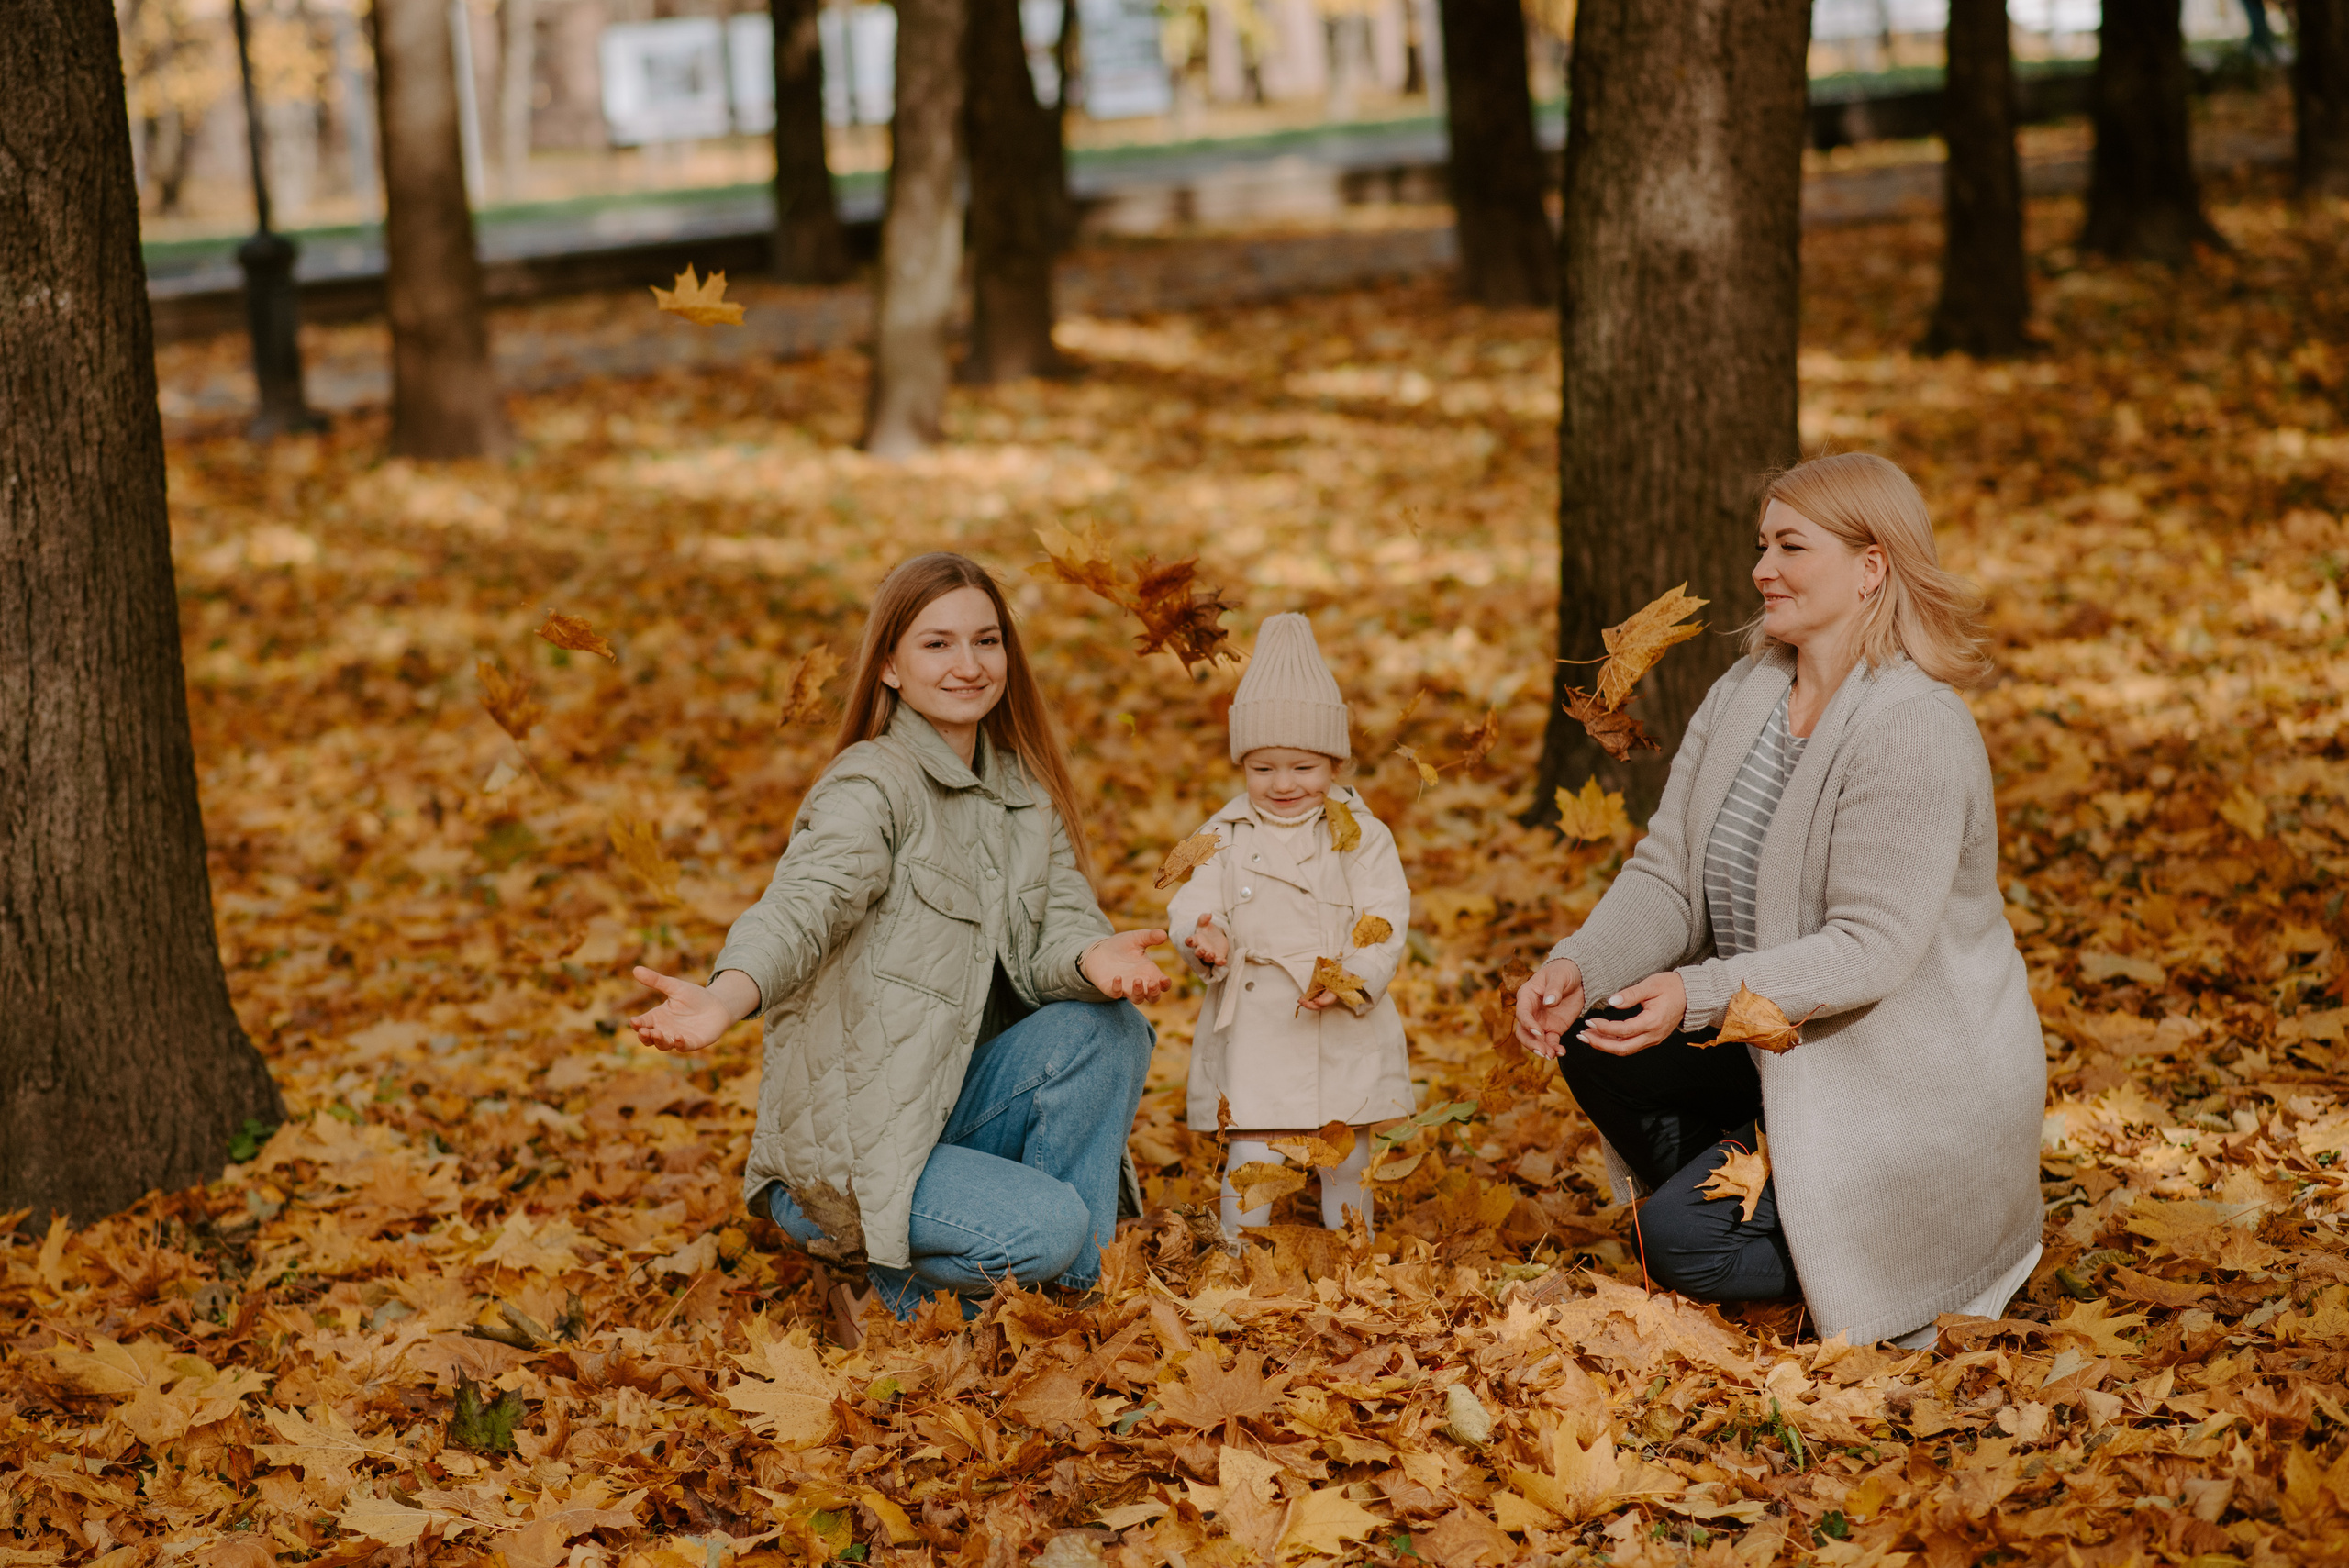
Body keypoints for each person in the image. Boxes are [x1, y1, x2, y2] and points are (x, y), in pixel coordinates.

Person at [1513, 453, 2043, 1349]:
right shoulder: (1746, 691)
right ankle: (1776, 1182)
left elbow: (1867, 948)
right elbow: (1669, 871)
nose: (1762, 568)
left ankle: (1840, 1230)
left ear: (1871, 566)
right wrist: (1580, 960)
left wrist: (1701, 992)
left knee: (1672, 1245)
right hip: (1787, 1055)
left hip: (1905, 1093)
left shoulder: (1915, 726)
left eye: (1790, 545)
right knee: (1588, 1027)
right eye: (1762, 544)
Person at [627, 553, 1172, 1341]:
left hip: (950, 1112)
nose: (969, 665)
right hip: (860, 1146)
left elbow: (1062, 925)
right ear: (889, 664)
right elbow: (802, 907)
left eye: (987, 642)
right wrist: (726, 994)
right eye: (938, 645)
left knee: (1107, 1028)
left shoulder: (1023, 790)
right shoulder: (871, 787)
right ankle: (896, 1286)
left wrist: (1094, 959)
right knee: (1049, 1225)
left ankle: (1066, 1305)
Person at [1167, 614, 1415, 1240]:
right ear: (1242, 763)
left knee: (1347, 1155)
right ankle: (1238, 1252)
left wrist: (1356, 976)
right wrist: (1206, 935)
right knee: (1252, 1152)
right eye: (1263, 767)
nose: (1282, 784)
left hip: (1336, 1014)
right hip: (1258, 1020)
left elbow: (1383, 914)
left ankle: (1352, 1251)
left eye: (1303, 767)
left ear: (1334, 761)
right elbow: (1195, 897)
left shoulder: (1360, 835)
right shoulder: (1220, 835)